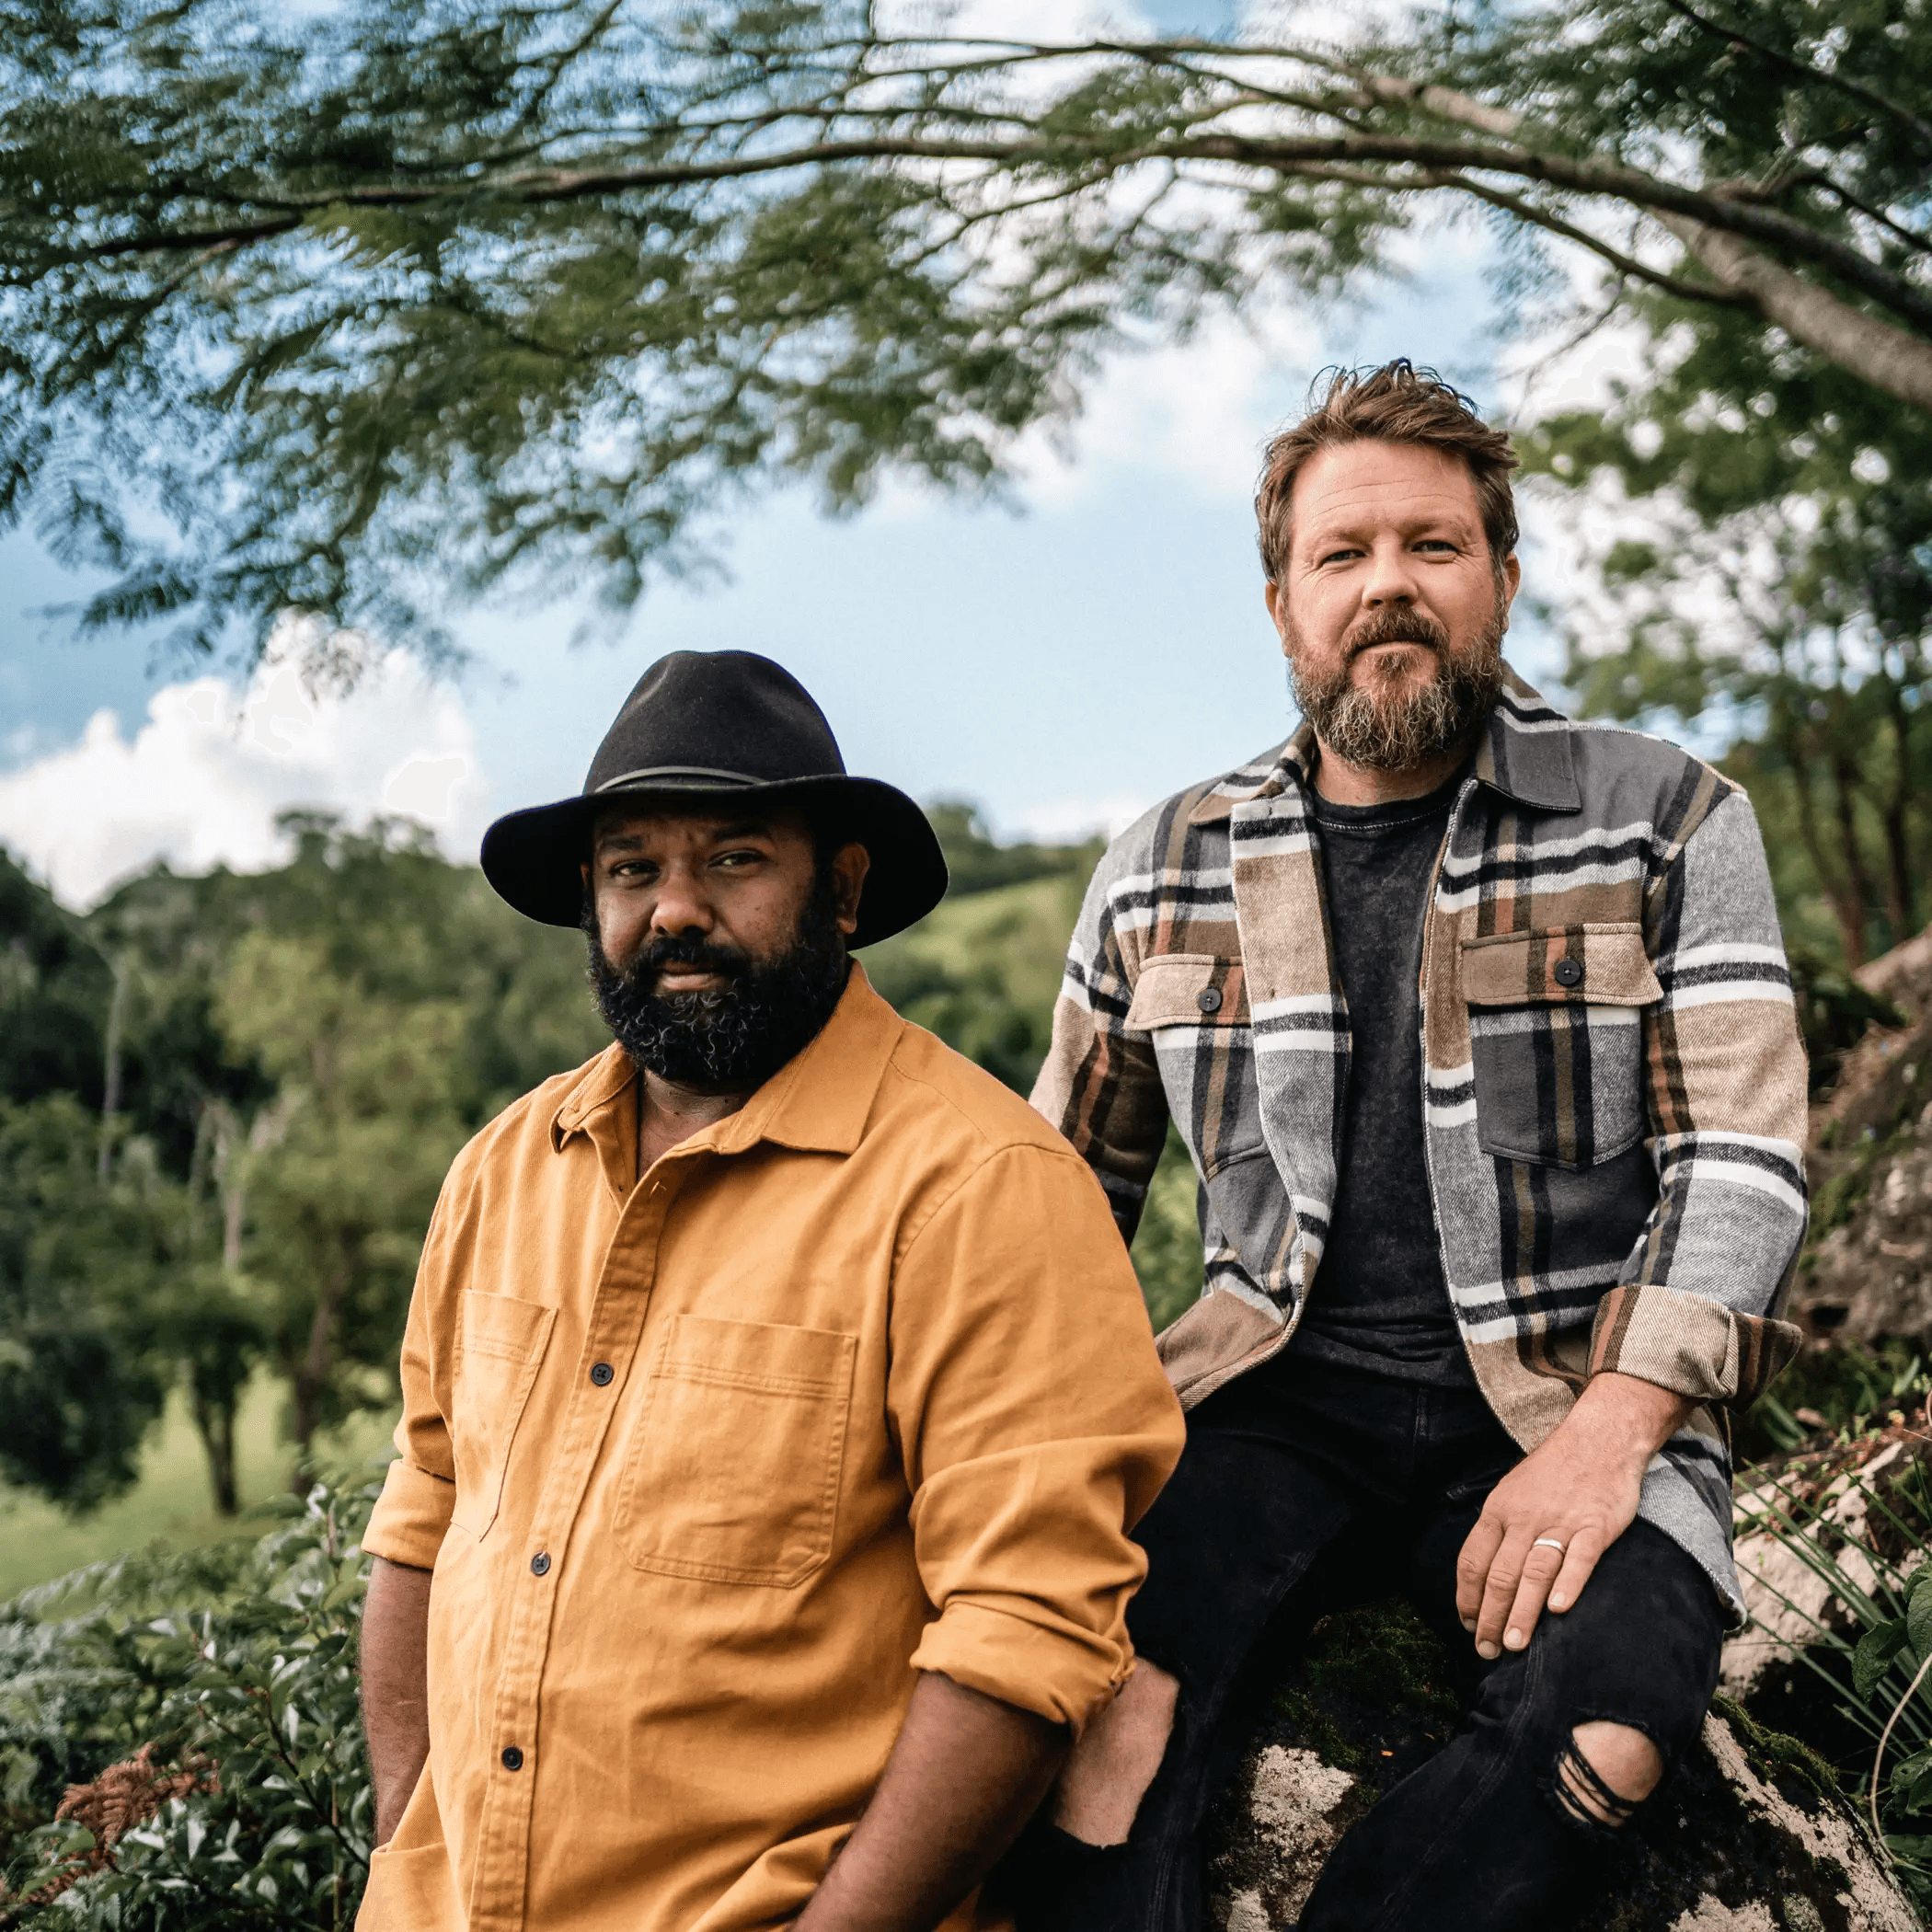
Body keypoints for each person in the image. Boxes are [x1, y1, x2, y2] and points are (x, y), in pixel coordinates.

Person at [1023, 362, 1809, 1931]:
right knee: (1089, 1745)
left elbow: (1744, 1156)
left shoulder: (1664, 816)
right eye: (1343, 553)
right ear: (1281, 604)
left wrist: (1612, 1433)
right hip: (1260, 1402)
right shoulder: (1160, 867)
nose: (1388, 584)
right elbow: (1049, 1206)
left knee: (1608, 1733)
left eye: (1434, 548)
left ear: (1502, 579)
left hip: (1559, 1398)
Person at [354, 650, 1185, 1932]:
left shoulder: (981, 1189)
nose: (674, 909)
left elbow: (1026, 1632)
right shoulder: (503, 1172)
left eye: (733, 859)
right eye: (634, 868)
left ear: (842, 891)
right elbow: (424, 1517)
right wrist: (411, 1847)